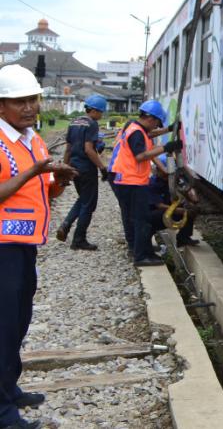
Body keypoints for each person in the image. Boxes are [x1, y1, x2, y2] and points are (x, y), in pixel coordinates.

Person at [0, 64, 77, 429]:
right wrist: (32, 172)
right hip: (2, 247)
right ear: (1, 106)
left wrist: (58, 181)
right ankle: (2, 412)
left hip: (26, 245)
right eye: (20, 102)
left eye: (33, 99)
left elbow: (44, 192)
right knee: (2, 327)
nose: (30, 107)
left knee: (18, 323)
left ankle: (9, 388)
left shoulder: (34, 139)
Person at [108, 100, 181, 266]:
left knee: (132, 216)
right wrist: (166, 148)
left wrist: (169, 129)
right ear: (150, 119)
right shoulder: (137, 133)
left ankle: (137, 248)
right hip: (130, 181)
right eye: (156, 124)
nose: (156, 128)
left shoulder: (136, 127)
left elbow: (149, 135)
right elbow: (140, 156)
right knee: (140, 218)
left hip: (126, 179)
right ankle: (141, 256)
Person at [57, 95, 110, 251]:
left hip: (74, 167)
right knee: (89, 204)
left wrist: (65, 170)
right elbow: (89, 149)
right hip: (87, 168)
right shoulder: (92, 124)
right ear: (94, 110)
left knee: (84, 199)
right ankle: (79, 239)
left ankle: (66, 225)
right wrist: (102, 168)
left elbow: (68, 148)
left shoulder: (73, 121)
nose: (101, 116)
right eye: (101, 112)